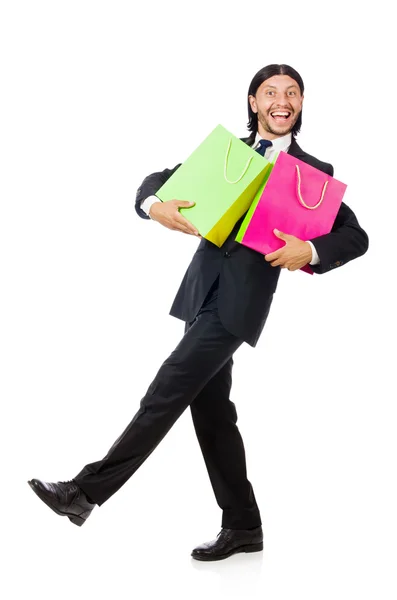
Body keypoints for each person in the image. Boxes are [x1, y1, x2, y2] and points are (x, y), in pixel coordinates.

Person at [28, 64, 369, 561]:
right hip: (200, 293)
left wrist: (311, 252)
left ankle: (84, 493)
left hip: (239, 306)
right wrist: (152, 204)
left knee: (166, 389)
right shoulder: (227, 153)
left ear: (300, 104)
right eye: (270, 91)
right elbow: (158, 179)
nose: (282, 99)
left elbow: (356, 237)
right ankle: (244, 526)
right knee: (212, 414)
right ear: (254, 101)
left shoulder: (313, 175)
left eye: (292, 93)